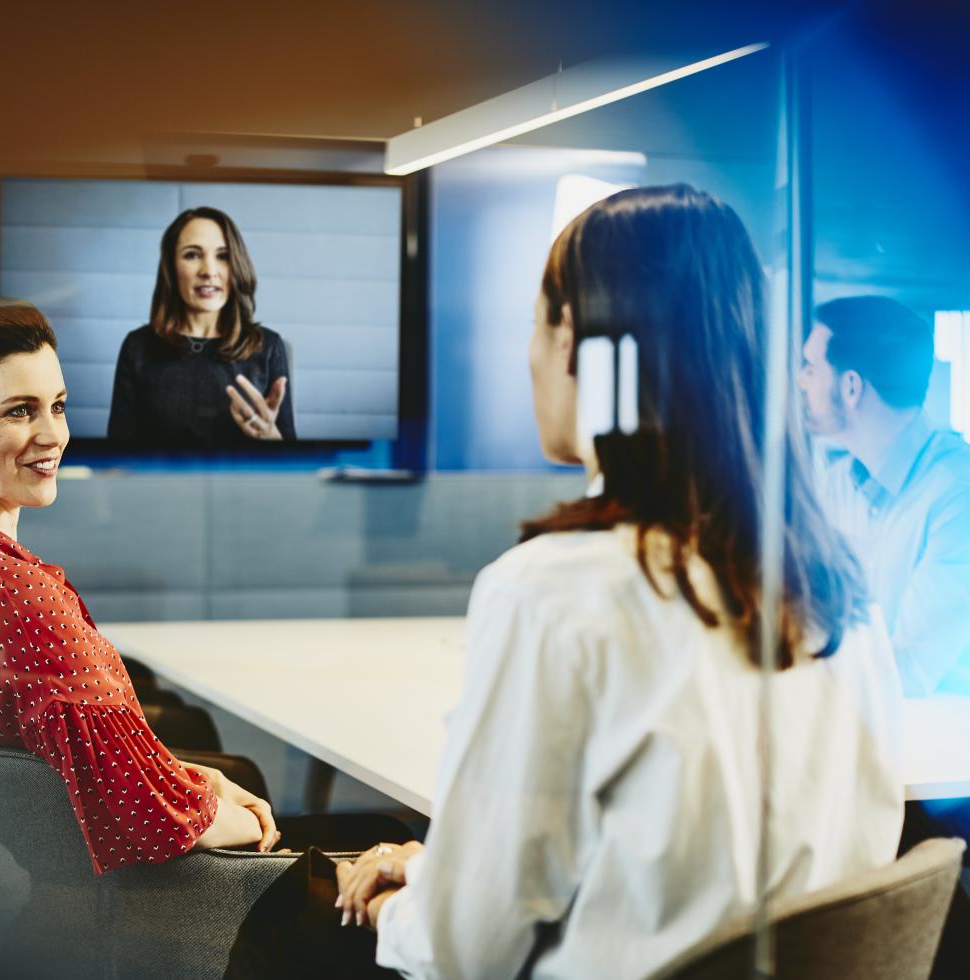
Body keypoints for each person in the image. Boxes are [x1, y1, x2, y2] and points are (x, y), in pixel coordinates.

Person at [335, 185, 905, 978]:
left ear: (572, 338)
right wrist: (435, 875)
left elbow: (465, 950)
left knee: (299, 905)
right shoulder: (837, 589)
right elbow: (695, 887)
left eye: (532, 324)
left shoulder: (554, 590)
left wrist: (396, 907)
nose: (528, 354)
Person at [0, 291, 280, 875]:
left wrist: (199, 779)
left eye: (57, 407)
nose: (53, 435)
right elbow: (149, 816)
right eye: (19, 411)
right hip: (102, 910)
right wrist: (244, 818)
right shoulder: (14, 594)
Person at [798, 295, 970, 697]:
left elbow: (908, 669)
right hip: (860, 730)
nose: (801, 380)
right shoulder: (837, 484)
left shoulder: (958, 494)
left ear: (852, 386)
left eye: (810, 368)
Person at [107, 207, 296, 447]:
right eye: (192, 255)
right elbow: (117, 457)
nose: (208, 271)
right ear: (171, 268)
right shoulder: (138, 347)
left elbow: (291, 462)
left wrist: (272, 440)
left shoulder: (269, 347)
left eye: (223, 256)